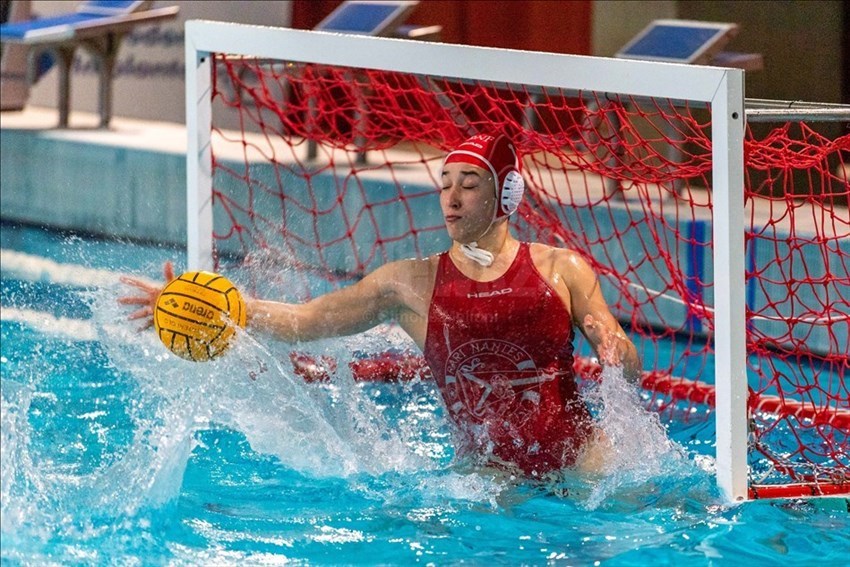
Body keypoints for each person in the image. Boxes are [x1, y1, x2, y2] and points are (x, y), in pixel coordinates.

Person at [120, 133, 641, 478]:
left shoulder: (561, 270)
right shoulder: (408, 284)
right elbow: (308, 321)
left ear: (506, 194)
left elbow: (626, 363)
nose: (451, 199)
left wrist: (621, 355)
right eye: (445, 185)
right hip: (486, 478)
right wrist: (221, 309)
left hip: (584, 465)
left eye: (470, 184)